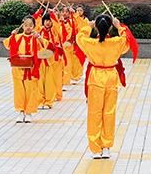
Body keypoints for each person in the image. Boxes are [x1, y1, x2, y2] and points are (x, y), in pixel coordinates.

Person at [76, 13, 131, 158]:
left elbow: (79, 38)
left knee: (94, 113)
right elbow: (127, 41)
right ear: (109, 28)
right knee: (109, 112)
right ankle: (107, 146)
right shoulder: (116, 42)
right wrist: (120, 27)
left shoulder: (90, 43)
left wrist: (87, 27)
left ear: (97, 28)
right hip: (111, 77)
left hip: (96, 77)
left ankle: (95, 148)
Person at [4, 16, 43, 123]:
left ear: (34, 26)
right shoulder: (17, 37)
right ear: (22, 26)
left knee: (31, 90)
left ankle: (29, 112)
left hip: (31, 69)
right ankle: (20, 111)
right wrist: (12, 35)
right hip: (18, 68)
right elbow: (7, 44)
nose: (28, 27)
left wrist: (39, 37)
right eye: (26, 25)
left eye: (31, 25)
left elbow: (44, 48)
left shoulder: (36, 37)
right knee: (19, 91)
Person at [37, 12, 65, 110]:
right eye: (46, 21)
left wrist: (53, 14)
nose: (48, 23)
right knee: (40, 82)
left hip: (53, 60)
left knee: (51, 81)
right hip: (41, 60)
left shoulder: (54, 31)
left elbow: (58, 27)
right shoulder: (39, 31)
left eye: (49, 21)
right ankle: (40, 101)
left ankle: (49, 101)